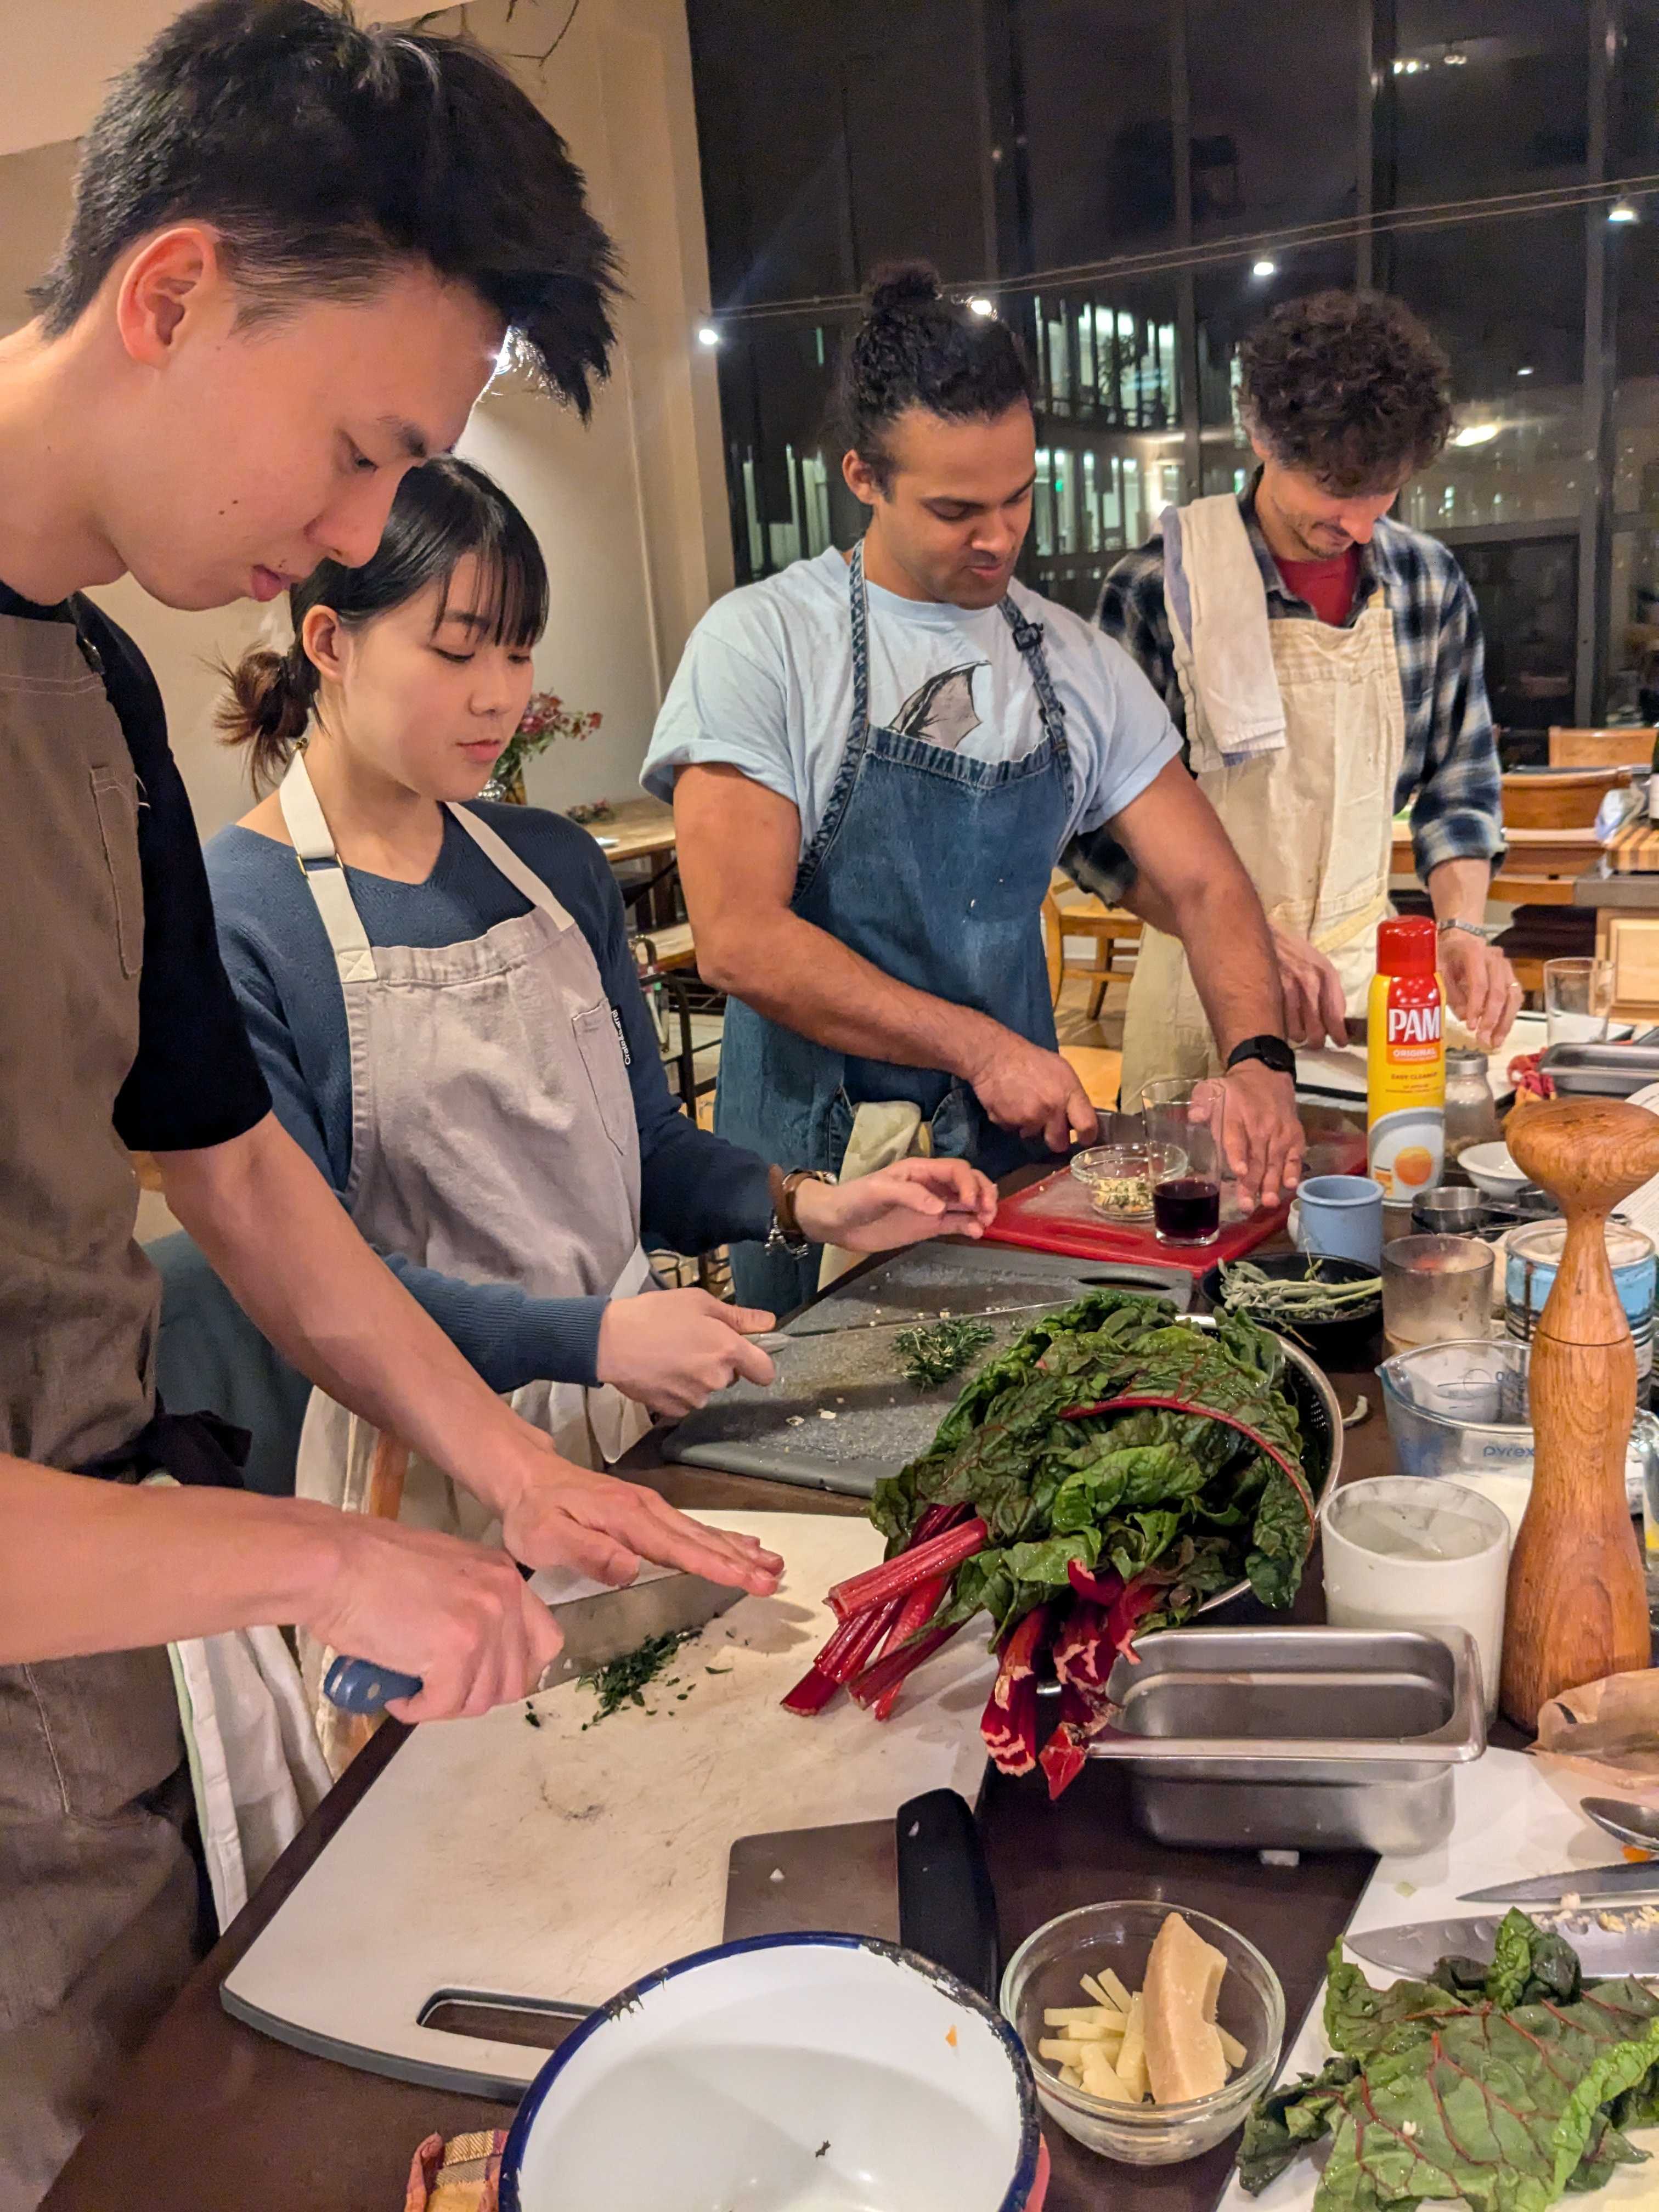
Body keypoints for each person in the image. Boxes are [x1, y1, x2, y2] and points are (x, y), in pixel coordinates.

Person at [0, 5, 778, 2200]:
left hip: (89, 1694)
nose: (354, 533)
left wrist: (505, 1466)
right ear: (172, 293)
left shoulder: (83, 688)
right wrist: (335, 1553)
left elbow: (235, 1163)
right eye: (356, 453)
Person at [205, 453, 996, 1647]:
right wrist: (590, 1338)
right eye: (456, 652)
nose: (499, 698)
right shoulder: (240, 915)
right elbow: (316, 1285)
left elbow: (648, 1150)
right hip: (428, 1465)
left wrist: (808, 1204)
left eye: (519, 653)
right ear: (331, 642)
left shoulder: (553, 865)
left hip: (635, 1408)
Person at [644, 264, 1304, 1313]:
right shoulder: (764, 643)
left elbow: (1207, 884)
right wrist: (982, 1047)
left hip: (1015, 1162)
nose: (998, 537)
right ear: (863, 477)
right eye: (955, 509)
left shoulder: (1074, 663)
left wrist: (1260, 1059)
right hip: (822, 1175)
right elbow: (738, 937)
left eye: (1018, 496)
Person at [1094, 289, 1518, 1104]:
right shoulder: (1158, 590)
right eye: (1334, 488)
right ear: (1262, 435)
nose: (1359, 525)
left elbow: (1460, 784)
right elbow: (1092, 828)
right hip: (1203, 996)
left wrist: (1461, 926)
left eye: (1383, 492)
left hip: (1364, 988)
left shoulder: (1426, 583)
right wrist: (1236, 934)